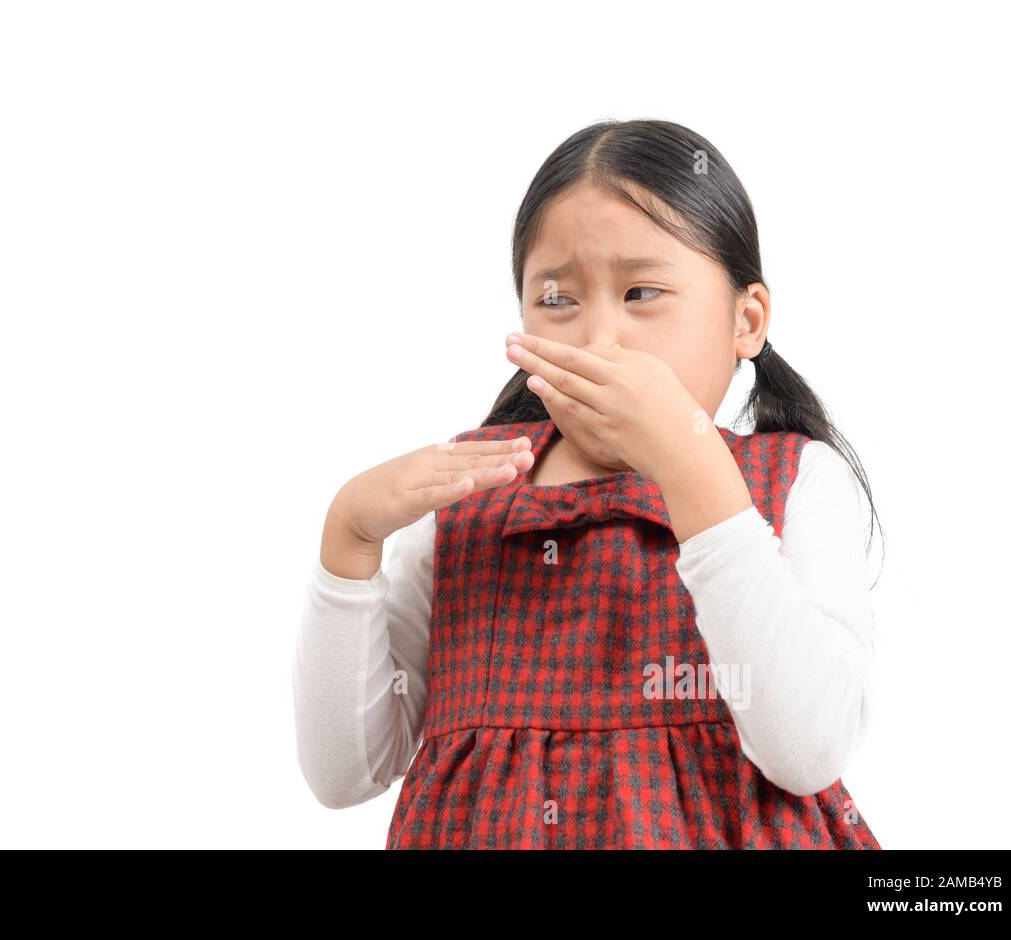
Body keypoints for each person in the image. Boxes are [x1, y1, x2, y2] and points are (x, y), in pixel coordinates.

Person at [293, 118, 885, 849]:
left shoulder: (793, 480)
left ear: (747, 319)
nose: (599, 339)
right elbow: (343, 772)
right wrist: (348, 541)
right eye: (558, 301)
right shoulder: (466, 497)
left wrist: (696, 471)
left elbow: (808, 748)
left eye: (641, 292)